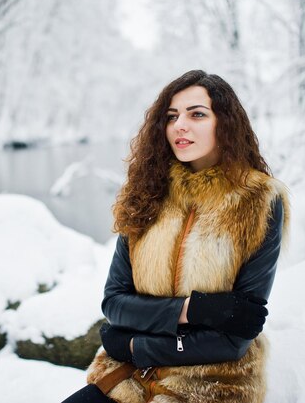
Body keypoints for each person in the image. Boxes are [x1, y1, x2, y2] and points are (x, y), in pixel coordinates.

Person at [63, 70, 290, 403]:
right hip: (126, 377)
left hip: (211, 382)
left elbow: (235, 335)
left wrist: (134, 344)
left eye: (197, 114)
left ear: (225, 123)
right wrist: (194, 310)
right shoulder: (146, 192)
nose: (180, 125)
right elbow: (114, 302)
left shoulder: (260, 201)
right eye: (171, 117)